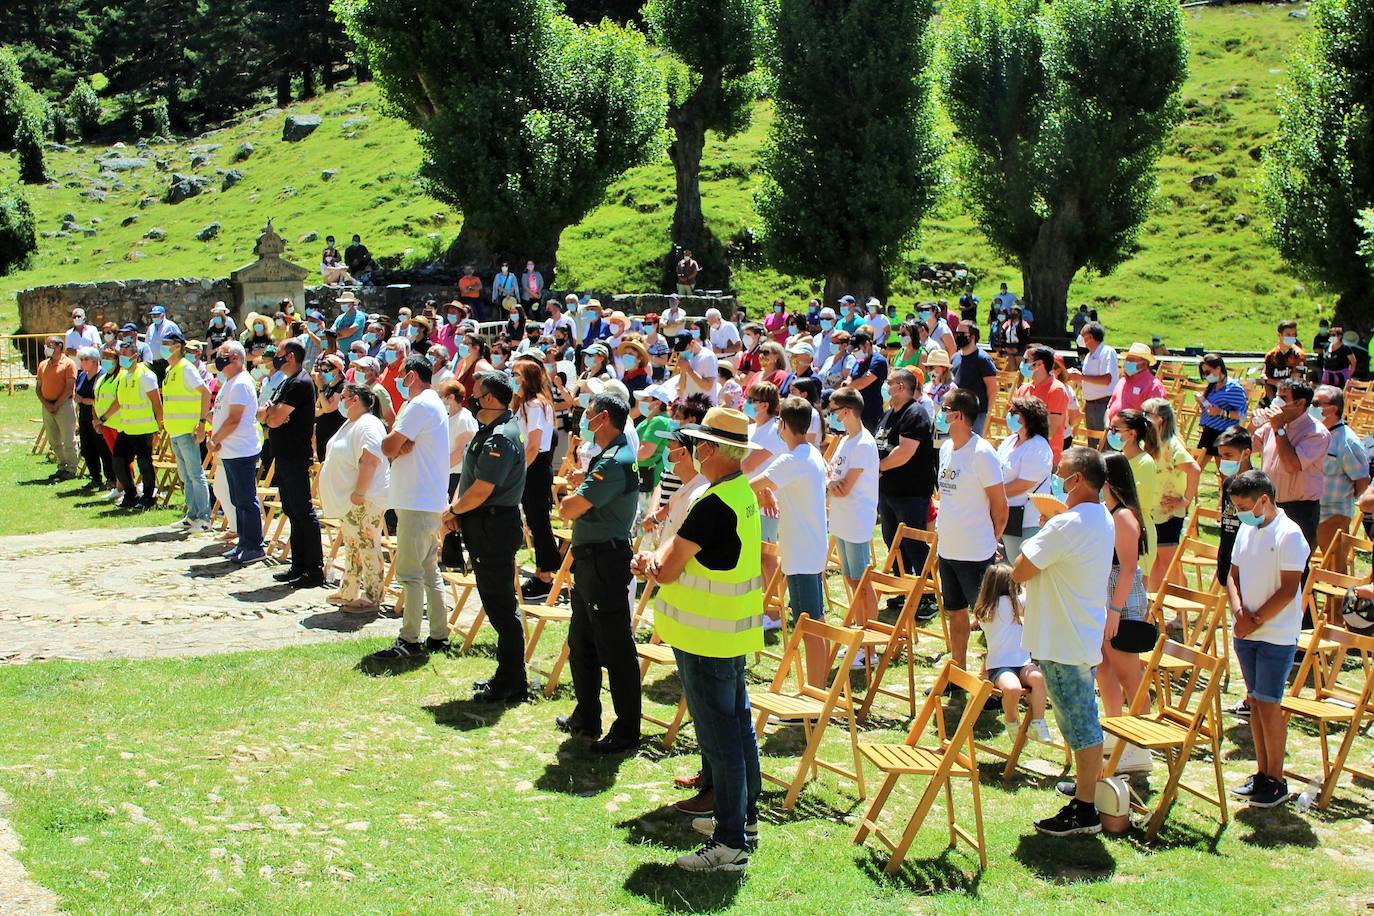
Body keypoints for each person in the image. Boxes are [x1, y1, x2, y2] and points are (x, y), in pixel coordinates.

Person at [635, 406, 764, 872]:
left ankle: (731, 842)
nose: (690, 449)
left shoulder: (713, 501)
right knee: (737, 730)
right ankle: (743, 823)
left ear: (710, 449)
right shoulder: (734, 492)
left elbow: (669, 568)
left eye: (695, 442)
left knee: (722, 737)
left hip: (706, 635)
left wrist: (650, 564)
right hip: (724, 632)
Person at [1012, 446, 1115, 836]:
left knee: (1081, 725)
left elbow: (1021, 569)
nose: (1057, 478)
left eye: (1062, 473)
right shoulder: (1097, 516)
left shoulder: (1067, 524)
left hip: (1065, 638)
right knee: (1075, 720)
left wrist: (1046, 527)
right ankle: (1086, 789)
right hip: (1073, 633)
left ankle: (1086, 808)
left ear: (1079, 480)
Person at [557, 393, 642, 752]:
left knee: (615, 649)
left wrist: (571, 497)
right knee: (582, 642)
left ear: (604, 418)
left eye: (588, 416)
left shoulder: (615, 459)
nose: (584, 422)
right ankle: (586, 715)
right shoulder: (610, 456)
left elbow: (570, 507)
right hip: (593, 559)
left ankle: (625, 731)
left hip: (605, 561)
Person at [441, 372, 531, 702]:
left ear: (490, 399)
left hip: (493, 526)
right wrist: (459, 509)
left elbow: (481, 490)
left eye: (476, 395)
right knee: (497, 604)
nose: (471, 400)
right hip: (484, 524)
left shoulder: (501, 437)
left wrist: (453, 512)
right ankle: (508, 673)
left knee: (502, 606)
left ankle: (513, 681)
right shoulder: (492, 431)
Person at [1225, 469, 1308, 809]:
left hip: (1274, 635)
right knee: (1255, 704)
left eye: (1244, 505)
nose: (1239, 512)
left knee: (1270, 704)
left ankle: (1277, 778)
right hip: (1247, 631)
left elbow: (1289, 590)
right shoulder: (1246, 528)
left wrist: (1255, 621)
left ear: (1263, 500)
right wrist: (1238, 612)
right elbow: (1232, 576)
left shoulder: (1290, 534)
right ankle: (1262, 772)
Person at [370, 355, 452, 660]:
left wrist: (394, 443)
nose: (398, 381)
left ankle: (410, 639)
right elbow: (395, 443)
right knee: (429, 569)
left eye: (402, 376)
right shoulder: (431, 404)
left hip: (417, 500)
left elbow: (389, 446)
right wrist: (395, 442)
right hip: (425, 499)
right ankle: (439, 635)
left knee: (411, 572)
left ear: (413, 376)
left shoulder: (419, 404)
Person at [750, 398, 829, 687]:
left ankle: (815, 692)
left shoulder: (791, 459)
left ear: (783, 424)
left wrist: (764, 490)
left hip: (802, 554)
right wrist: (767, 491)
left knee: (809, 626)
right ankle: (817, 687)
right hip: (808, 549)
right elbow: (766, 486)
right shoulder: (811, 453)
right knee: (812, 622)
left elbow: (750, 486)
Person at [935, 388, 1007, 677]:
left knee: (988, 618)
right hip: (948, 548)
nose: (939, 414)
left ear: (959, 416)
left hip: (975, 551)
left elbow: (1000, 507)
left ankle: (993, 676)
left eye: (945, 409)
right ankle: (959, 670)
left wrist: (991, 540)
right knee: (955, 611)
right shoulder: (945, 449)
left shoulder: (983, 454)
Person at [1095, 451, 1154, 774]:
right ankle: (1116, 728)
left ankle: (1139, 745)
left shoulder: (1123, 517)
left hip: (1123, 602)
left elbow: (1129, 568)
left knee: (1130, 675)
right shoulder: (1107, 512)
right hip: (1107, 600)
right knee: (1105, 667)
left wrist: (1115, 611)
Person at [261, 340, 325, 588]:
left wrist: (272, 415)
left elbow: (274, 418)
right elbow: (270, 415)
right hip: (284, 454)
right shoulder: (288, 381)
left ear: (289, 357)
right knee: (291, 510)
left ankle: (313, 568)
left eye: (278, 354)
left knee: (303, 511)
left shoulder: (300, 383)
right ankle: (299, 564)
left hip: (295, 454)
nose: (274, 358)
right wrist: (272, 415)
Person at [321, 384, 390, 611]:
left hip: (365, 498)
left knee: (367, 544)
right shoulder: (351, 422)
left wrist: (360, 492)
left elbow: (370, 460)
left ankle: (373, 596)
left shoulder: (369, 424)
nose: (340, 401)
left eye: (343, 397)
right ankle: (349, 589)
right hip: (350, 500)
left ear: (355, 399)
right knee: (352, 545)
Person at [826, 387, 879, 666]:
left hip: (856, 520)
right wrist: (829, 483)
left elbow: (843, 487)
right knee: (850, 579)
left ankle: (870, 646)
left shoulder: (863, 444)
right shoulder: (846, 440)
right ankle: (861, 636)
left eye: (834, 411)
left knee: (861, 583)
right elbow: (832, 476)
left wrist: (827, 485)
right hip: (842, 520)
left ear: (846, 411)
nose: (831, 416)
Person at [971, 564, 1052, 743]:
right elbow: (1030, 599)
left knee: (1039, 679)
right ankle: (1012, 721)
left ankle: (1038, 722)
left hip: (1022, 661)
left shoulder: (993, 606)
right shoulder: (991, 608)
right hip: (1001, 665)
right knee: (1012, 688)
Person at [1249, 379, 1328, 557]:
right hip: (1269, 504)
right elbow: (1245, 447)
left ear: (1300, 403)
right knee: (1264, 560)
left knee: (1292, 564)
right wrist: (1254, 423)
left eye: (1283, 397)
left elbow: (1292, 465)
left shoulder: (1315, 433)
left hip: (1299, 510)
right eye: (1277, 395)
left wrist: (1279, 430)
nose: (1276, 401)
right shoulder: (1271, 425)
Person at [875, 368, 937, 582]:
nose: (885, 386)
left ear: (900, 386)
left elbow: (904, 452)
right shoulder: (889, 413)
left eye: (888, 382)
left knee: (913, 543)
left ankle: (927, 592)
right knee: (892, 542)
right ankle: (902, 585)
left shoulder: (915, 413)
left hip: (910, 493)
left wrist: (879, 467)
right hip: (888, 491)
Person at [208, 342, 266, 564]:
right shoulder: (229, 382)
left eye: (224, 354)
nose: (219, 358)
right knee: (237, 498)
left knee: (245, 499)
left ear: (236, 358)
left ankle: (254, 545)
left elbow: (235, 419)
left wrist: (216, 439)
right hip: (230, 450)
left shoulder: (241, 383)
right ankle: (244, 542)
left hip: (241, 449)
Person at [508, 360, 560, 601]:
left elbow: (534, 444)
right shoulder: (524, 403)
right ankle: (542, 571)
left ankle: (546, 576)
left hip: (535, 466)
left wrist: (519, 471)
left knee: (539, 522)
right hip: (531, 466)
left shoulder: (535, 405)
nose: (513, 379)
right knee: (534, 521)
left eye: (516, 375)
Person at [1142, 398, 1201, 592]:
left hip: (1169, 511)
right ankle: (1153, 604)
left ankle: (1179, 613)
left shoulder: (1172, 445)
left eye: (1147, 414)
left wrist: (1184, 500)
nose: (1143, 418)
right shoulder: (1151, 442)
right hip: (1154, 510)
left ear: (1160, 419)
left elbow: (1194, 469)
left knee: (1170, 562)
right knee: (1155, 560)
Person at [99, 337, 163, 509]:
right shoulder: (124, 376)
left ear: (135, 356)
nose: (122, 358)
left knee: (144, 464)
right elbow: (119, 401)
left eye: (125, 355)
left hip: (143, 428)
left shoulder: (145, 375)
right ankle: (130, 493)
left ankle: (148, 497)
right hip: (126, 428)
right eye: (121, 355)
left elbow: (157, 403)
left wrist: (159, 425)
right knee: (118, 461)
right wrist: (103, 419)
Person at [159, 332, 213, 530]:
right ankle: (192, 514)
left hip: (187, 429)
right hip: (175, 430)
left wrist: (201, 423)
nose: (163, 347)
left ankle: (204, 517)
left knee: (195, 474)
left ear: (177, 346)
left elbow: (205, 393)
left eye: (167, 343)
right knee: (185, 475)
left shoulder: (185, 368)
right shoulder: (170, 369)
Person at [1314, 385, 1369, 560]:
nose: (1311, 406)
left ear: (1332, 409)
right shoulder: (1313, 434)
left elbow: (1362, 479)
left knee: (1333, 566)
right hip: (1310, 509)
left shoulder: (1347, 442)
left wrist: (1344, 499)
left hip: (1333, 514)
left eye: (1316, 403)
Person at [997, 397, 1054, 563]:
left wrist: (993, 492)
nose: (1010, 415)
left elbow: (1025, 484)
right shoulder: (1010, 441)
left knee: (1017, 569)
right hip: (1004, 514)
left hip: (1025, 521)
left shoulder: (1038, 446)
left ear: (1029, 416)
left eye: (1015, 412)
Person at [1107, 409, 1159, 576]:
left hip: (1138, 531)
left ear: (1132, 434)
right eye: (1110, 429)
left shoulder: (1145, 463)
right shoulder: (1116, 459)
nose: (1111, 433)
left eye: (1115, 430)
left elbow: (1138, 501)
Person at [1016, 345, 1071, 462]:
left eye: (1026, 360)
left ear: (1039, 364)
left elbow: (1050, 429)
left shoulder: (1057, 390)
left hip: (1045, 457)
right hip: (1021, 453)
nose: (1022, 363)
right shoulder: (1023, 389)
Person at [36, 335, 79, 481]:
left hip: (64, 405)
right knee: (54, 440)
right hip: (47, 405)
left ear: (59, 346)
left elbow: (69, 388)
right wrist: (47, 404)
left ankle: (72, 469)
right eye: (46, 345)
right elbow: (38, 388)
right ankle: (62, 466)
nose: (46, 348)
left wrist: (56, 404)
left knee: (68, 439)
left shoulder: (68, 364)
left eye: (50, 345)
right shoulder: (43, 365)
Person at [73, 346, 115, 491]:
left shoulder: (102, 376)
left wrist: (86, 400)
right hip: (84, 417)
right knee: (87, 448)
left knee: (103, 449)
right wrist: (78, 399)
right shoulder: (82, 375)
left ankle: (111, 478)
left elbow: (103, 399)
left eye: (86, 359)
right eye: (81, 359)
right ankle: (95, 478)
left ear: (95, 361)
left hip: (99, 417)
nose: (83, 362)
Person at [1195, 353, 1247, 469]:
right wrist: (1202, 401)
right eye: (1204, 373)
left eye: (1208, 372)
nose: (1206, 376)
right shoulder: (1213, 386)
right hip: (1209, 432)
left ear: (1218, 368)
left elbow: (1242, 415)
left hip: (1223, 435)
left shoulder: (1233, 388)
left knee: (1225, 473)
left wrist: (1221, 412)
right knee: (1195, 468)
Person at [1067, 321, 1118, 432]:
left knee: (1103, 442)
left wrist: (1082, 377)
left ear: (1089, 337)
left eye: (1082, 334)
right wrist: (1078, 377)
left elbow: (1106, 380)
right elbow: (1088, 380)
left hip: (1103, 404)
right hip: (1090, 405)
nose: (1080, 338)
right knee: (1093, 442)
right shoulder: (1089, 356)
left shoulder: (1107, 352)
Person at [951, 321, 997, 435]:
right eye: (957, 333)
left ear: (972, 336)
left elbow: (992, 387)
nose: (958, 336)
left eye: (962, 333)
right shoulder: (954, 357)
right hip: (956, 411)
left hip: (976, 414)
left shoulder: (983, 359)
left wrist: (987, 411)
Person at [1105, 342, 1167, 424]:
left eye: (1131, 360)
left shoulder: (1153, 386)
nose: (1127, 363)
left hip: (1134, 434)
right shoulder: (1122, 381)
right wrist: (1107, 424)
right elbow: (1110, 406)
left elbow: (1155, 418)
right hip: (1113, 432)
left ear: (1144, 364)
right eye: (1127, 359)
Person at [847, 331, 888, 432]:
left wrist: (849, 385)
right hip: (855, 411)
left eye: (856, 349)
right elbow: (849, 378)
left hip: (871, 413)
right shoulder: (858, 362)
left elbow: (862, 383)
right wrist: (849, 384)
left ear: (867, 345)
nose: (854, 353)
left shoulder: (878, 361)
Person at [1262, 319, 1305, 404]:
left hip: (1291, 398)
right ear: (1279, 335)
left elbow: (1295, 379)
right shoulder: (1271, 355)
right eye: (1288, 335)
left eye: (1293, 335)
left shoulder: (1299, 355)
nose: (1291, 338)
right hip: (1271, 396)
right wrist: (1273, 400)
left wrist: (1278, 383)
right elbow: (1265, 378)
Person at [679, 320, 719, 402]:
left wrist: (689, 370)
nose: (682, 351)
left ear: (692, 343)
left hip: (704, 406)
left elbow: (708, 386)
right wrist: (683, 370)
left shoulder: (708, 356)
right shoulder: (686, 357)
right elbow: (682, 387)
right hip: (689, 404)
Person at [144, 305, 181, 382]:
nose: (154, 317)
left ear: (163, 315)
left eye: (156, 315)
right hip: (153, 362)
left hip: (166, 361)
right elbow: (147, 343)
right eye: (153, 315)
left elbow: (179, 341)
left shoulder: (170, 326)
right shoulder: (151, 328)